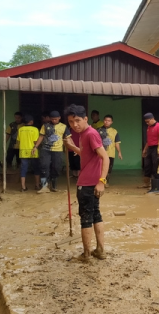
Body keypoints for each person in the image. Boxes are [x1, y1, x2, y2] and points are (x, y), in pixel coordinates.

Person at [63, 104, 110, 261]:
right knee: (96, 214)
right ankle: (100, 251)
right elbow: (87, 154)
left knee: (86, 217)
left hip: (88, 184)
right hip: (91, 182)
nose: (74, 125)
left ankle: (87, 254)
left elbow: (105, 158)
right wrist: (72, 147)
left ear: (85, 119)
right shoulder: (84, 134)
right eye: (70, 122)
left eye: (77, 120)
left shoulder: (90, 134)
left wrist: (102, 181)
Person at [34, 110, 70, 193]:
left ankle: (53, 185)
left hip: (58, 150)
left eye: (56, 119)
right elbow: (41, 136)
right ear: (50, 118)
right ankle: (44, 186)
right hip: (46, 149)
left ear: (59, 118)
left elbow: (68, 138)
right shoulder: (45, 126)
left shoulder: (64, 127)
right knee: (44, 166)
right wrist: (35, 147)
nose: (54, 121)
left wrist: (73, 147)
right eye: (52, 119)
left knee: (56, 168)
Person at [18, 114, 41, 191]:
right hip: (33, 151)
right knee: (36, 168)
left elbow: (19, 141)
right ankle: (37, 185)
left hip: (23, 151)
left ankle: (23, 186)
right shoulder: (35, 129)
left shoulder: (20, 129)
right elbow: (35, 141)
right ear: (31, 122)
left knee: (23, 168)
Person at [141, 113, 159, 193]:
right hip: (149, 147)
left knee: (156, 166)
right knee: (147, 165)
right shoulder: (148, 127)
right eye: (146, 122)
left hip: (156, 147)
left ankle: (156, 186)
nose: (147, 123)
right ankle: (146, 183)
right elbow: (148, 140)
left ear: (152, 118)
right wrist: (145, 149)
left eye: (148, 121)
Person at [102, 115, 122, 187]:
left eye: (109, 121)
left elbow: (117, 143)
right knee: (101, 168)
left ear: (111, 122)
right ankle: (101, 182)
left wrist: (119, 152)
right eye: (105, 120)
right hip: (101, 153)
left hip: (110, 153)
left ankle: (106, 181)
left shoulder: (114, 131)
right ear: (103, 121)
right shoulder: (98, 130)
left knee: (108, 169)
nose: (107, 122)